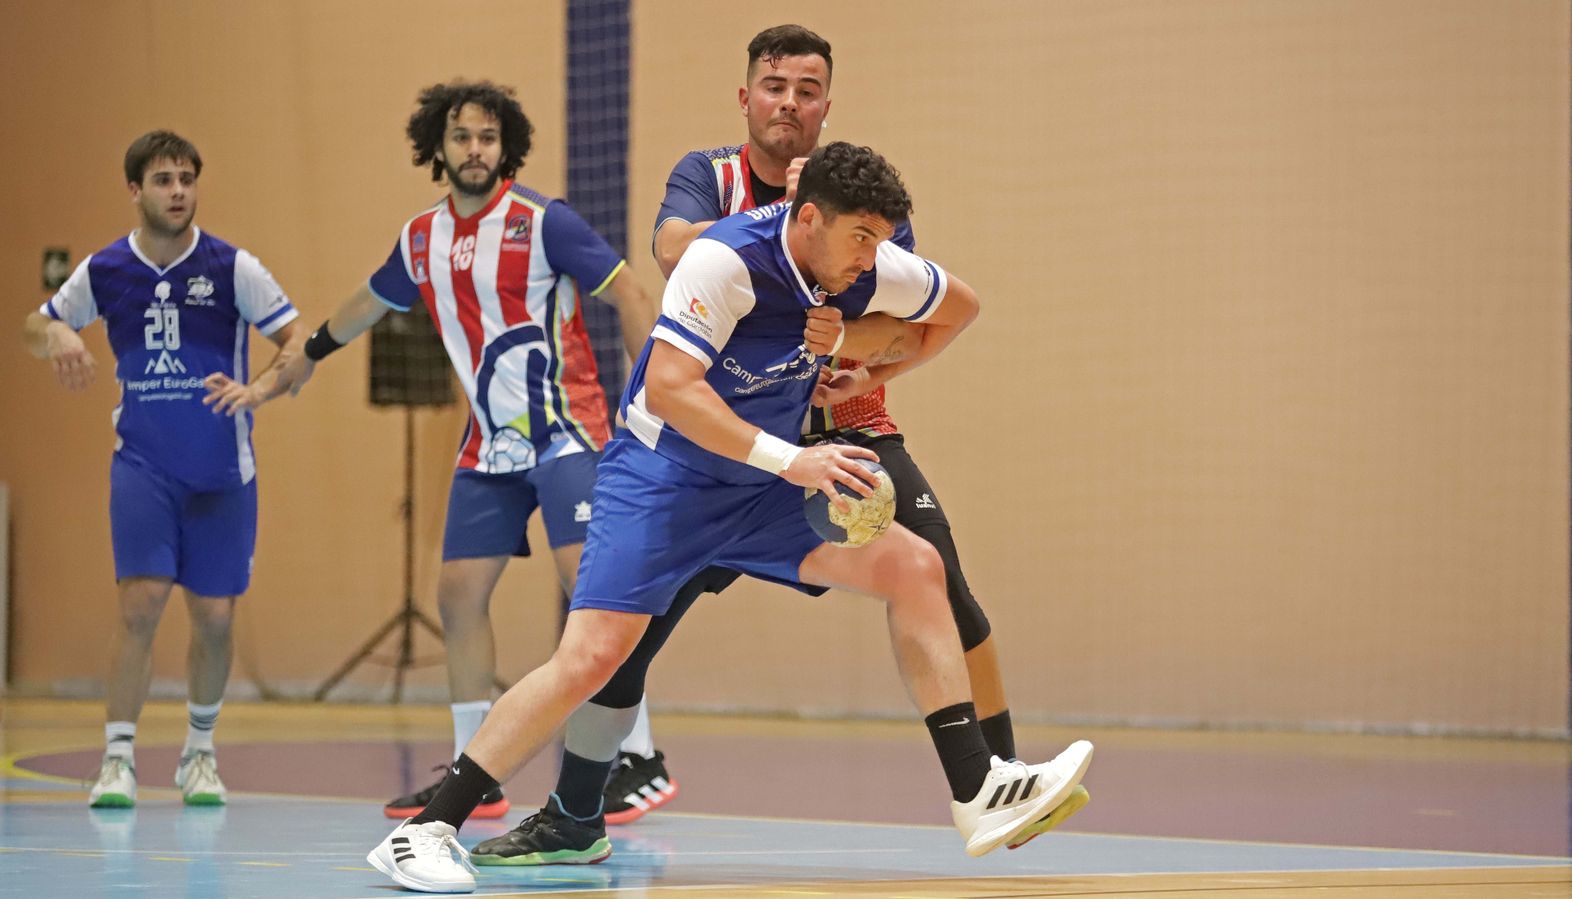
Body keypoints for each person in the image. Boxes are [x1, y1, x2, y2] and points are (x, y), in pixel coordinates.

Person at [362, 141, 1094, 894]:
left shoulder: (866, 267)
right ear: (809, 218)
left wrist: (863, 370)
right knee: (591, 659)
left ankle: (977, 789)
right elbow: (672, 387)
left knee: (916, 566)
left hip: (758, 490)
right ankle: (425, 831)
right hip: (663, 483)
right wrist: (793, 460)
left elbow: (960, 308)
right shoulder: (725, 260)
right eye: (860, 237)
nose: (871, 257)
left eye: (880, 240)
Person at [602, 23, 1086, 836]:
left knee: (943, 582)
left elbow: (904, 321)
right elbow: (675, 252)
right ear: (746, 96)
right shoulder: (709, 176)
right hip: (731, 439)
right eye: (775, 86)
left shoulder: (861, 199)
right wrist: (787, 220)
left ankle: (1002, 776)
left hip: (844, 425)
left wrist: (852, 345)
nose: (789, 102)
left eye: (808, 90)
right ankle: (594, 787)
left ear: (827, 105)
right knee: (633, 629)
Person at [208, 81, 657, 820]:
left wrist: (649, 409)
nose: (475, 149)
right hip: (489, 445)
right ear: (437, 149)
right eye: (461, 137)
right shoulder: (422, 239)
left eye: (487, 137)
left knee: (593, 590)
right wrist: (308, 354)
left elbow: (632, 296)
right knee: (457, 593)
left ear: (505, 148)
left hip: (567, 432)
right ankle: (475, 773)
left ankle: (636, 756)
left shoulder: (544, 222)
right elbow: (368, 300)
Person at [22, 130, 302, 808]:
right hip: (143, 466)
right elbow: (34, 325)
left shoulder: (232, 267)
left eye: (186, 179)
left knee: (214, 616)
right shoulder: (107, 269)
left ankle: (199, 754)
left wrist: (260, 390)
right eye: (163, 180)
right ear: (135, 190)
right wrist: (55, 331)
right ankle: (117, 758)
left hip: (221, 471)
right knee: (141, 604)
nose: (178, 191)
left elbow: (298, 341)